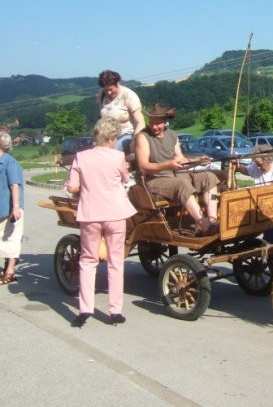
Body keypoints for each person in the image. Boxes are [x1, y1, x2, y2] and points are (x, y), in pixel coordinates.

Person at [66, 117, 137, 327]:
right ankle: (115, 310)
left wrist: (87, 187)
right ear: (113, 137)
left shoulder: (81, 157)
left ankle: (85, 309)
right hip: (115, 213)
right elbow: (125, 179)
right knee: (116, 262)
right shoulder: (118, 157)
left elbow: (72, 187)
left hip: (90, 214)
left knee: (88, 261)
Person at [134, 103, 220, 235]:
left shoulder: (172, 135)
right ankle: (204, 224)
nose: (154, 126)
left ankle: (213, 220)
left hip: (173, 175)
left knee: (209, 177)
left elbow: (181, 159)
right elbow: (143, 166)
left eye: (158, 123)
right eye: (151, 122)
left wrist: (197, 161)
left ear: (165, 122)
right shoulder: (142, 137)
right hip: (153, 180)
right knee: (181, 184)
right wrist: (168, 165)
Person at [234, 144, 273, 243]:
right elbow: (246, 171)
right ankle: (271, 242)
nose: (258, 167)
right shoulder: (256, 165)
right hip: (261, 203)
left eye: (260, 165)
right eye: (257, 164)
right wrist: (237, 166)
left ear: (269, 161)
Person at [97, 69, 145, 156]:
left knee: (111, 154)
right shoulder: (102, 96)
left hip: (126, 135)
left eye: (110, 89)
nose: (108, 92)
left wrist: (135, 140)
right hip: (107, 137)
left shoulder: (129, 95)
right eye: (105, 90)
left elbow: (140, 122)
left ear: (117, 83)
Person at [0, 131, 24, 285]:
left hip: (10, 208)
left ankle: (10, 269)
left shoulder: (10, 162)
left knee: (12, 238)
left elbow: (14, 185)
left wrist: (15, 207)